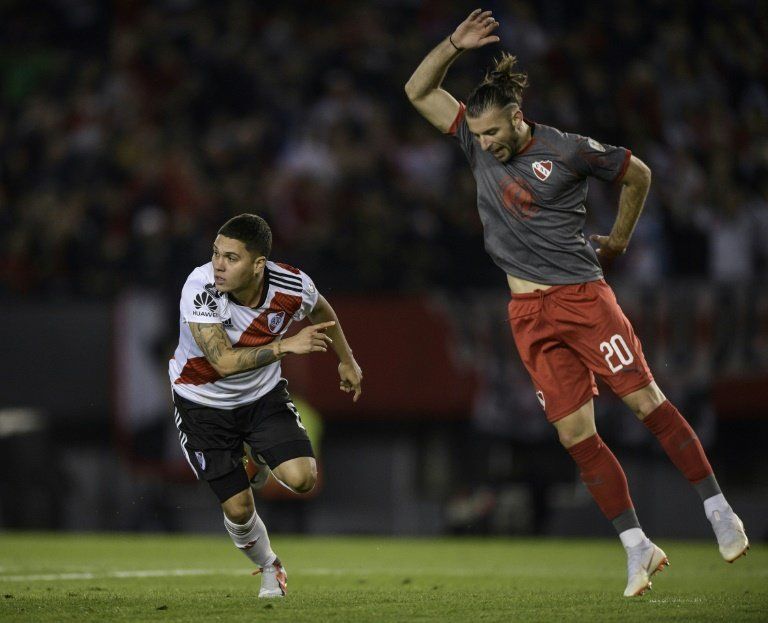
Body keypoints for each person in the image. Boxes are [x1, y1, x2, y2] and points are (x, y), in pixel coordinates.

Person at [405, 8, 749, 597]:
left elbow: (637, 173)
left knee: (645, 401)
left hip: (582, 299)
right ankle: (637, 547)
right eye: (478, 135)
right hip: (527, 314)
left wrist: (618, 239)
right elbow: (417, 90)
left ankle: (719, 509)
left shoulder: (569, 151)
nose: (484, 144)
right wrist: (453, 45)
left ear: (517, 117)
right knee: (573, 436)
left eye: (492, 133)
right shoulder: (474, 139)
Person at [169, 213, 363, 598]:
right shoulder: (201, 286)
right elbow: (222, 363)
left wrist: (347, 360)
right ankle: (269, 564)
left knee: (303, 479)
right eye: (215, 254)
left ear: (259, 264)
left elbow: (322, 310)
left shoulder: (292, 283)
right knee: (239, 510)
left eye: (231, 257)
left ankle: (255, 457)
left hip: (260, 397)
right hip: (202, 403)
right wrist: (284, 346)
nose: (218, 265)